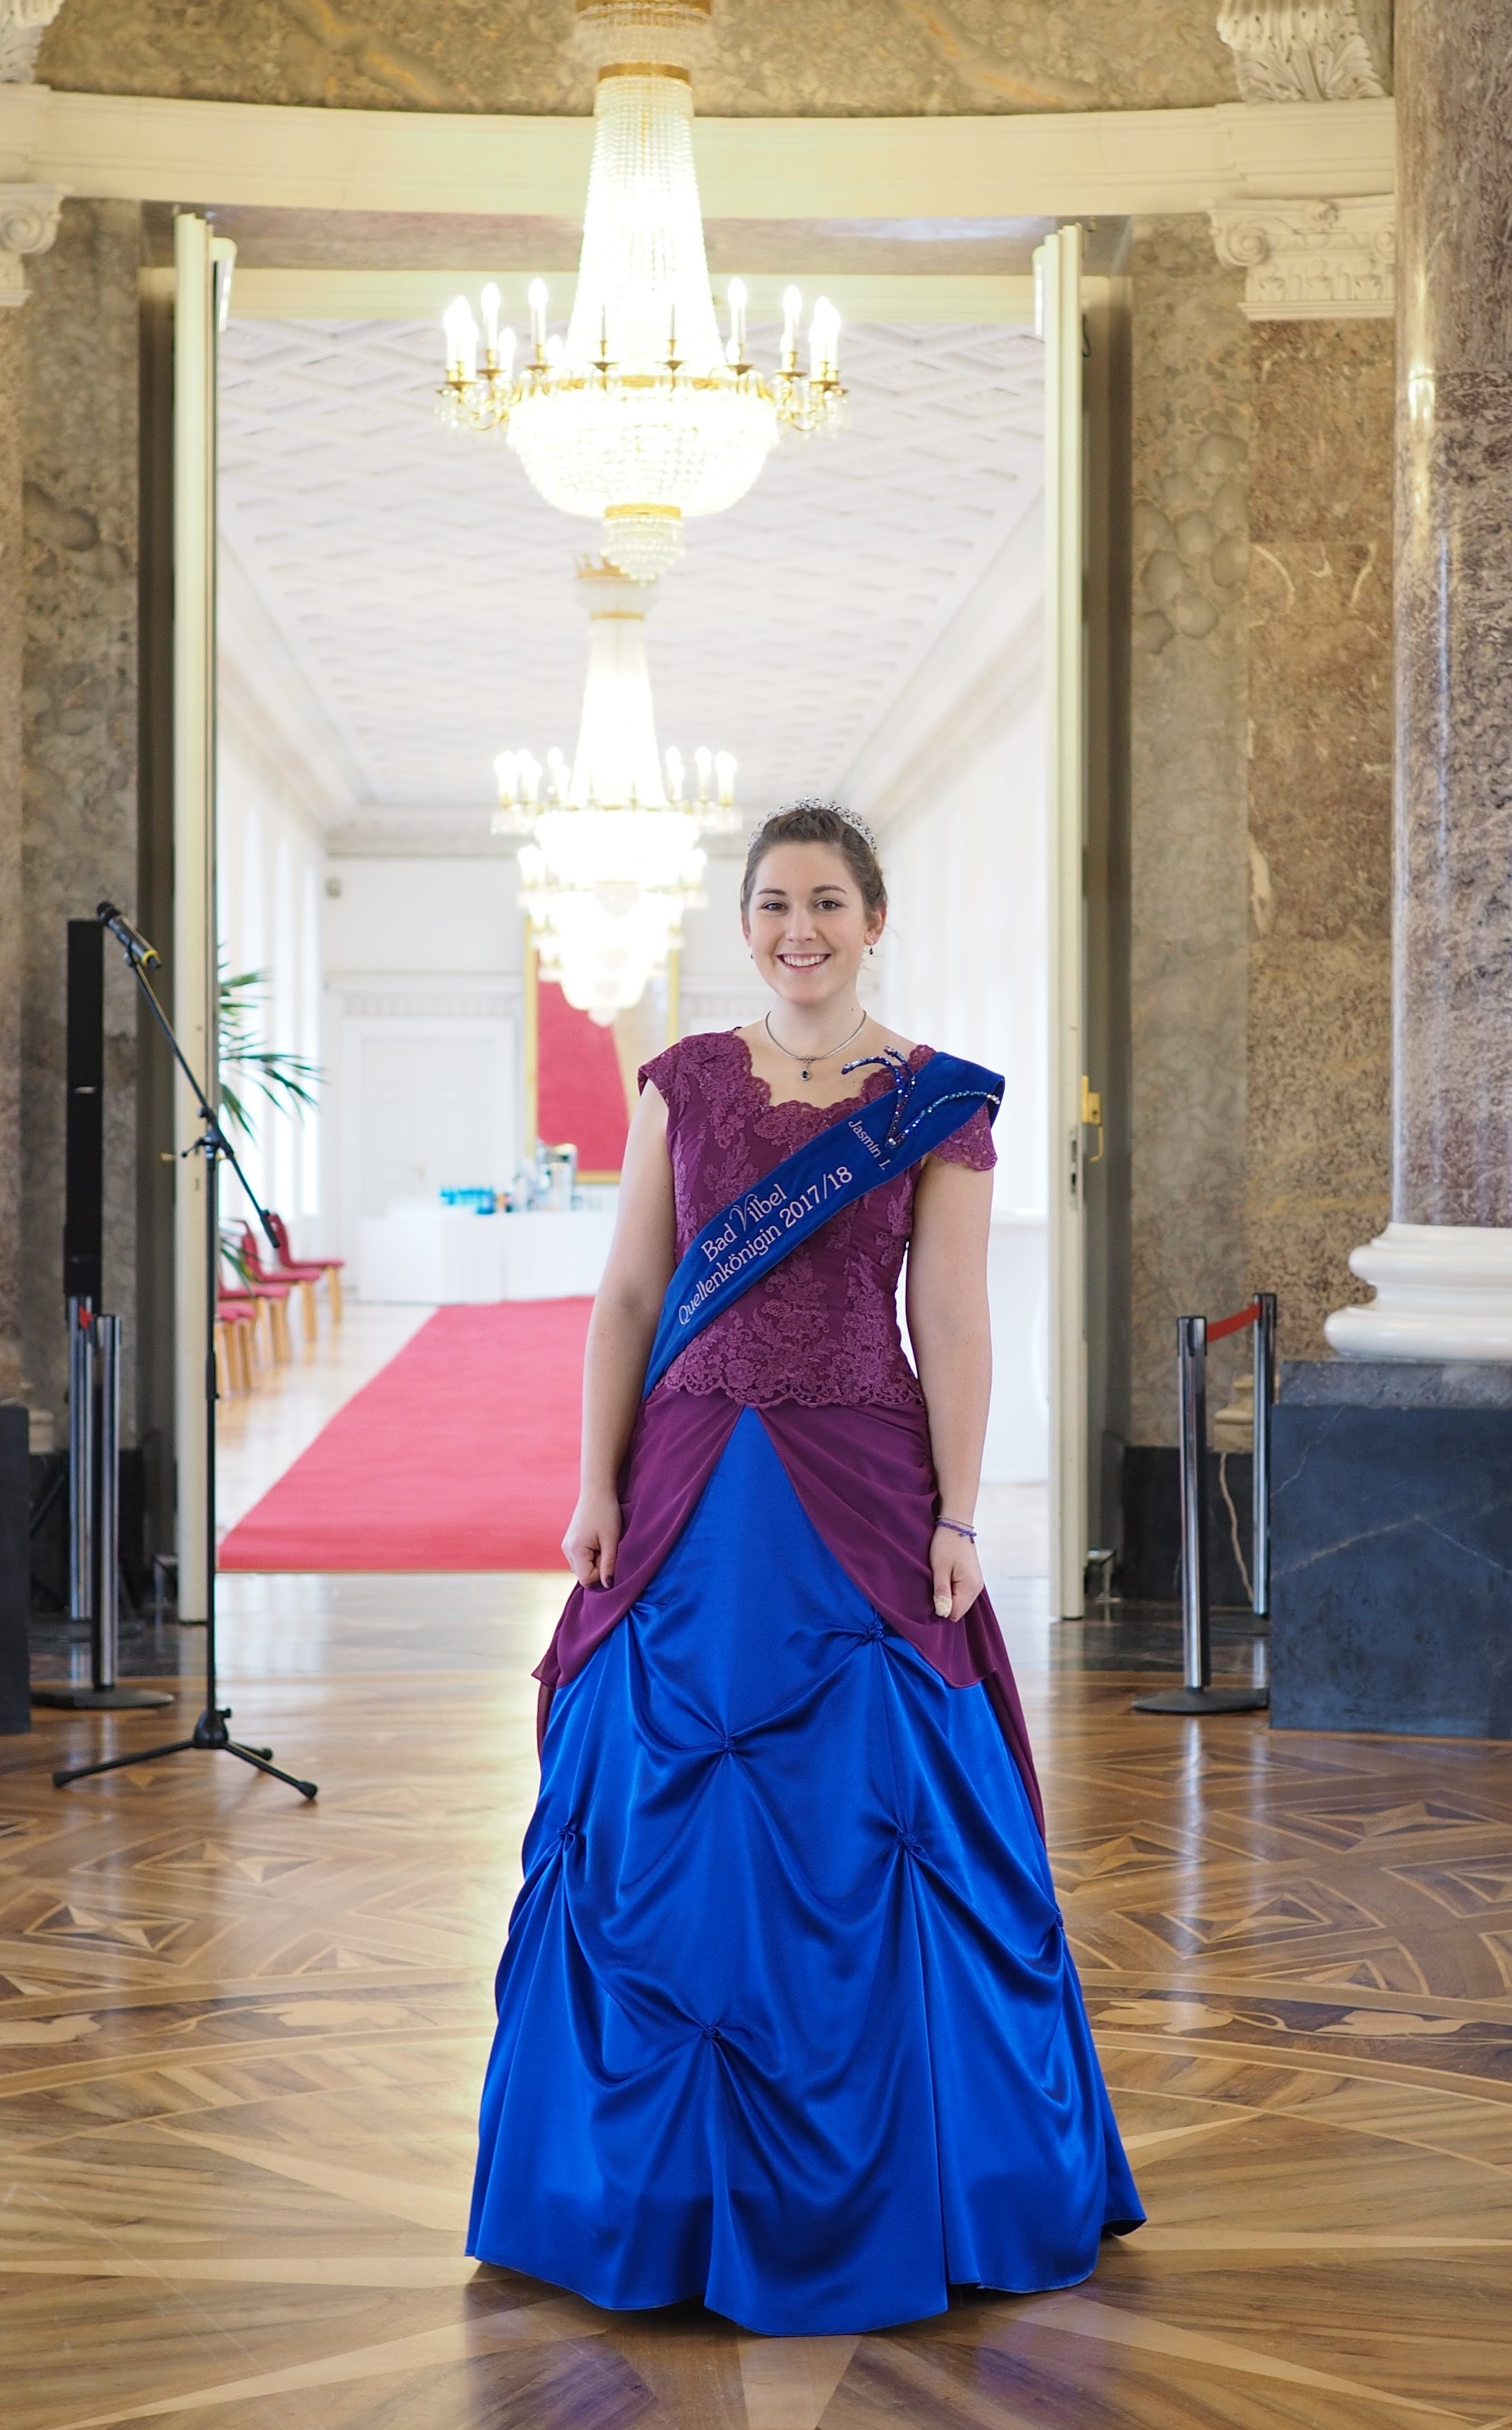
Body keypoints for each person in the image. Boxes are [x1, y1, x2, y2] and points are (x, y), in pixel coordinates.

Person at [468, 799, 1142, 2335]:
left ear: (872, 919)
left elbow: (952, 1321)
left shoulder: (938, 1102)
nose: (799, 929)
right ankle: (640, 2197)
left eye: (827, 902)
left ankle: (925, 2188)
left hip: (863, 1487)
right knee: (646, 1822)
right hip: (688, 1485)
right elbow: (628, 1294)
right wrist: (594, 1482)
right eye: (774, 903)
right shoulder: (682, 1083)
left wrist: (957, 1514)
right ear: (745, 923)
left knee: (888, 1822)